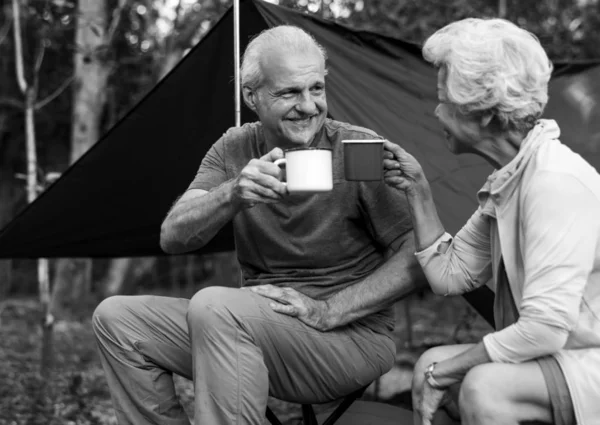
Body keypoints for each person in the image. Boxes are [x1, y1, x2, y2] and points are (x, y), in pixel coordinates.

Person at [93, 25, 424, 425]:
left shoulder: (358, 149)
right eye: (289, 93)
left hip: (349, 336)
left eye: (316, 88)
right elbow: (173, 236)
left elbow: (417, 254)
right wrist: (233, 193)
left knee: (215, 306)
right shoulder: (234, 148)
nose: (309, 106)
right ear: (252, 97)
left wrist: (328, 310)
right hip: (251, 326)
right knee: (116, 318)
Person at [383, 17, 600, 425]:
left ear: (482, 112)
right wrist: (417, 188)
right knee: (430, 363)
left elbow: (545, 329)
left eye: (443, 98)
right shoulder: (513, 178)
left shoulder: (554, 182)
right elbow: (449, 275)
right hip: (558, 357)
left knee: (484, 387)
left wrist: (447, 372)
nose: (436, 110)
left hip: (589, 362)